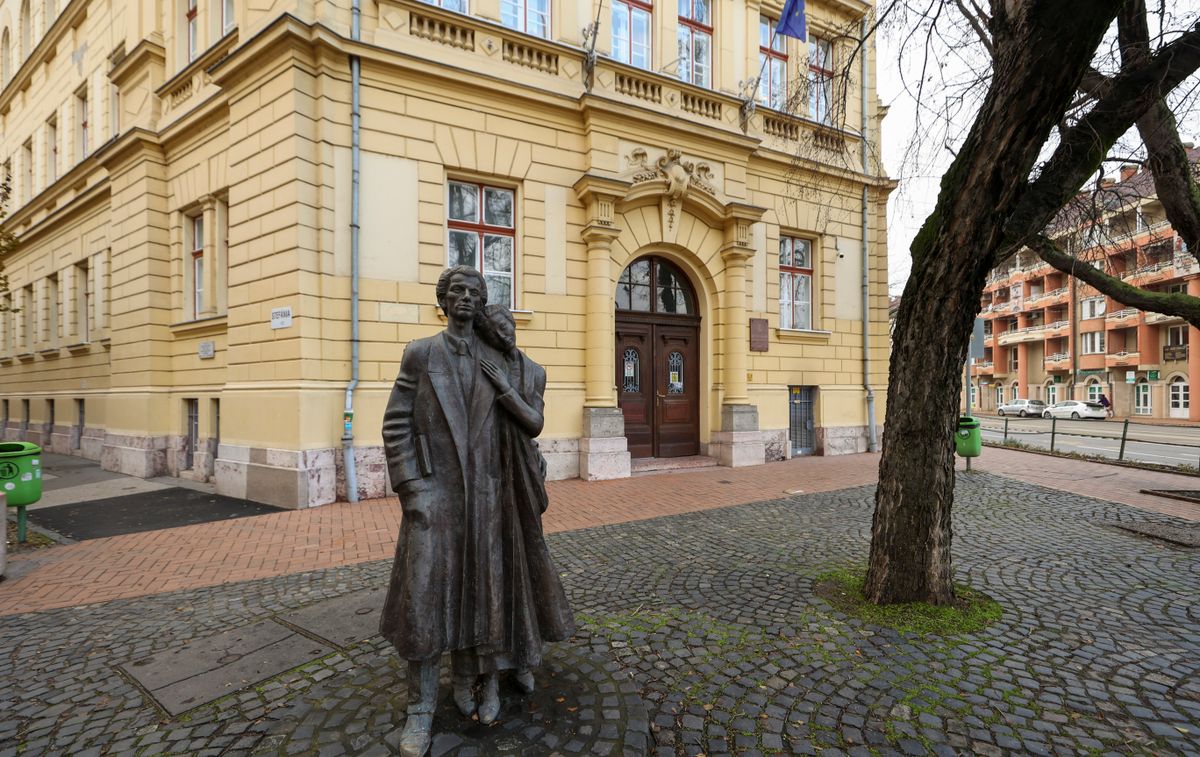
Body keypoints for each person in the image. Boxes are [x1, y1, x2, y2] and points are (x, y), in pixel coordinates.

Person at [379, 266, 511, 757]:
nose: (466, 299)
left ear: (481, 304)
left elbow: (518, 420)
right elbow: (395, 424)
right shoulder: (421, 353)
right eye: (457, 291)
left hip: (485, 499)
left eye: (475, 293)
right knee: (427, 603)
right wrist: (413, 489)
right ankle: (419, 709)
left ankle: (471, 681)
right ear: (443, 299)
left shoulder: (493, 358)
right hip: (435, 498)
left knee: (482, 595)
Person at [476, 304, 575, 693]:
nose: (505, 334)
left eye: (507, 326)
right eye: (496, 330)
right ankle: (485, 669)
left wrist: (504, 388)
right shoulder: (478, 366)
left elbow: (534, 423)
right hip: (484, 476)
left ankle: (524, 656)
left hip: (521, 477)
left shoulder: (533, 371)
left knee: (527, 562)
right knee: (490, 570)